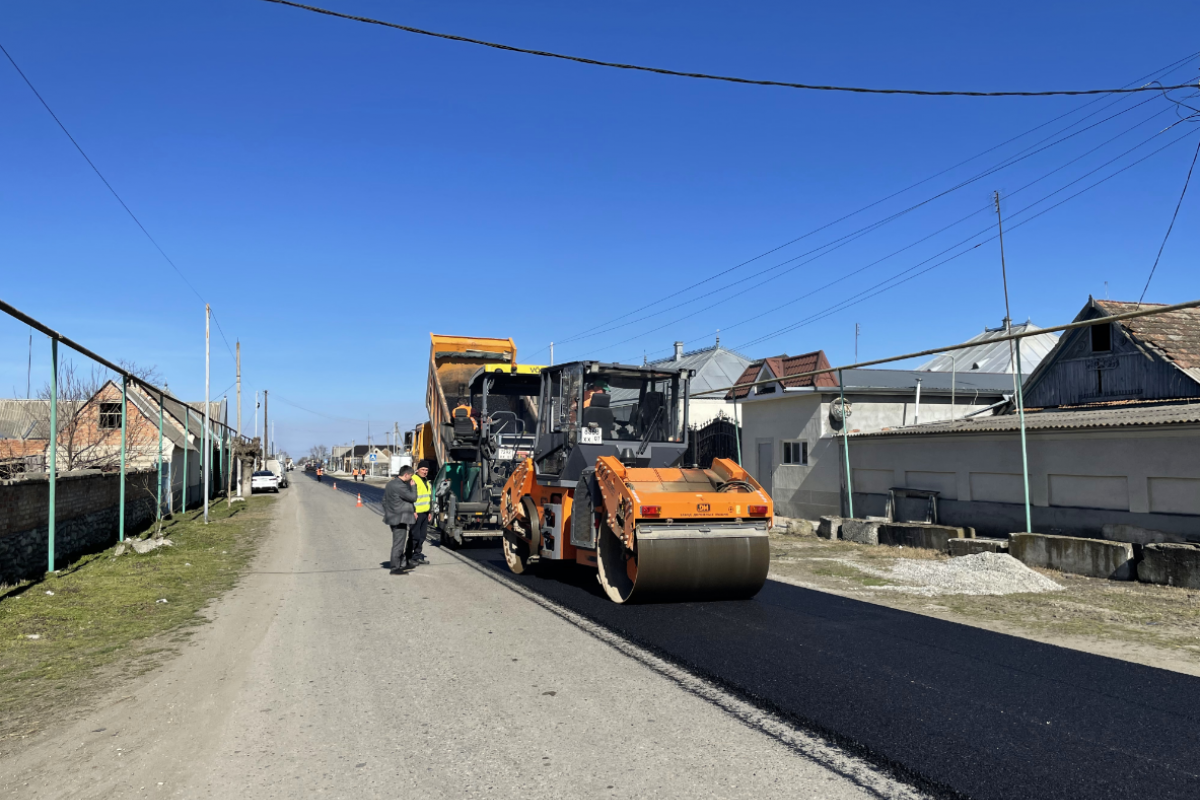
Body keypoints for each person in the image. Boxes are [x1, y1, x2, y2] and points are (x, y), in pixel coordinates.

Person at [383, 465, 418, 573]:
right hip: (399, 519)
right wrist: (413, 487)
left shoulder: (391, 483)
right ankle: (395, 568)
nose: (411, 479)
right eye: (410, 476)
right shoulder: (400, 486)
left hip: (393, 517)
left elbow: (384, 501)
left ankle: (402, 564)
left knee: (400, 542)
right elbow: (413, 497)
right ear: (406, 474)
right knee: (398, 544)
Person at [409, 460, 433, 564]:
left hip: (425, 513)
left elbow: (429, 498)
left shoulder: (427, 482)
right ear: (418, 469)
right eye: (423, 469)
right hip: (415, 513)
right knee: (415, 536)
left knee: (422, 536)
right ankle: (409, 556)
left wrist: (430, 512)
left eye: (426, 470)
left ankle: (417, 556)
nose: (425, 471)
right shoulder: (413, 480)